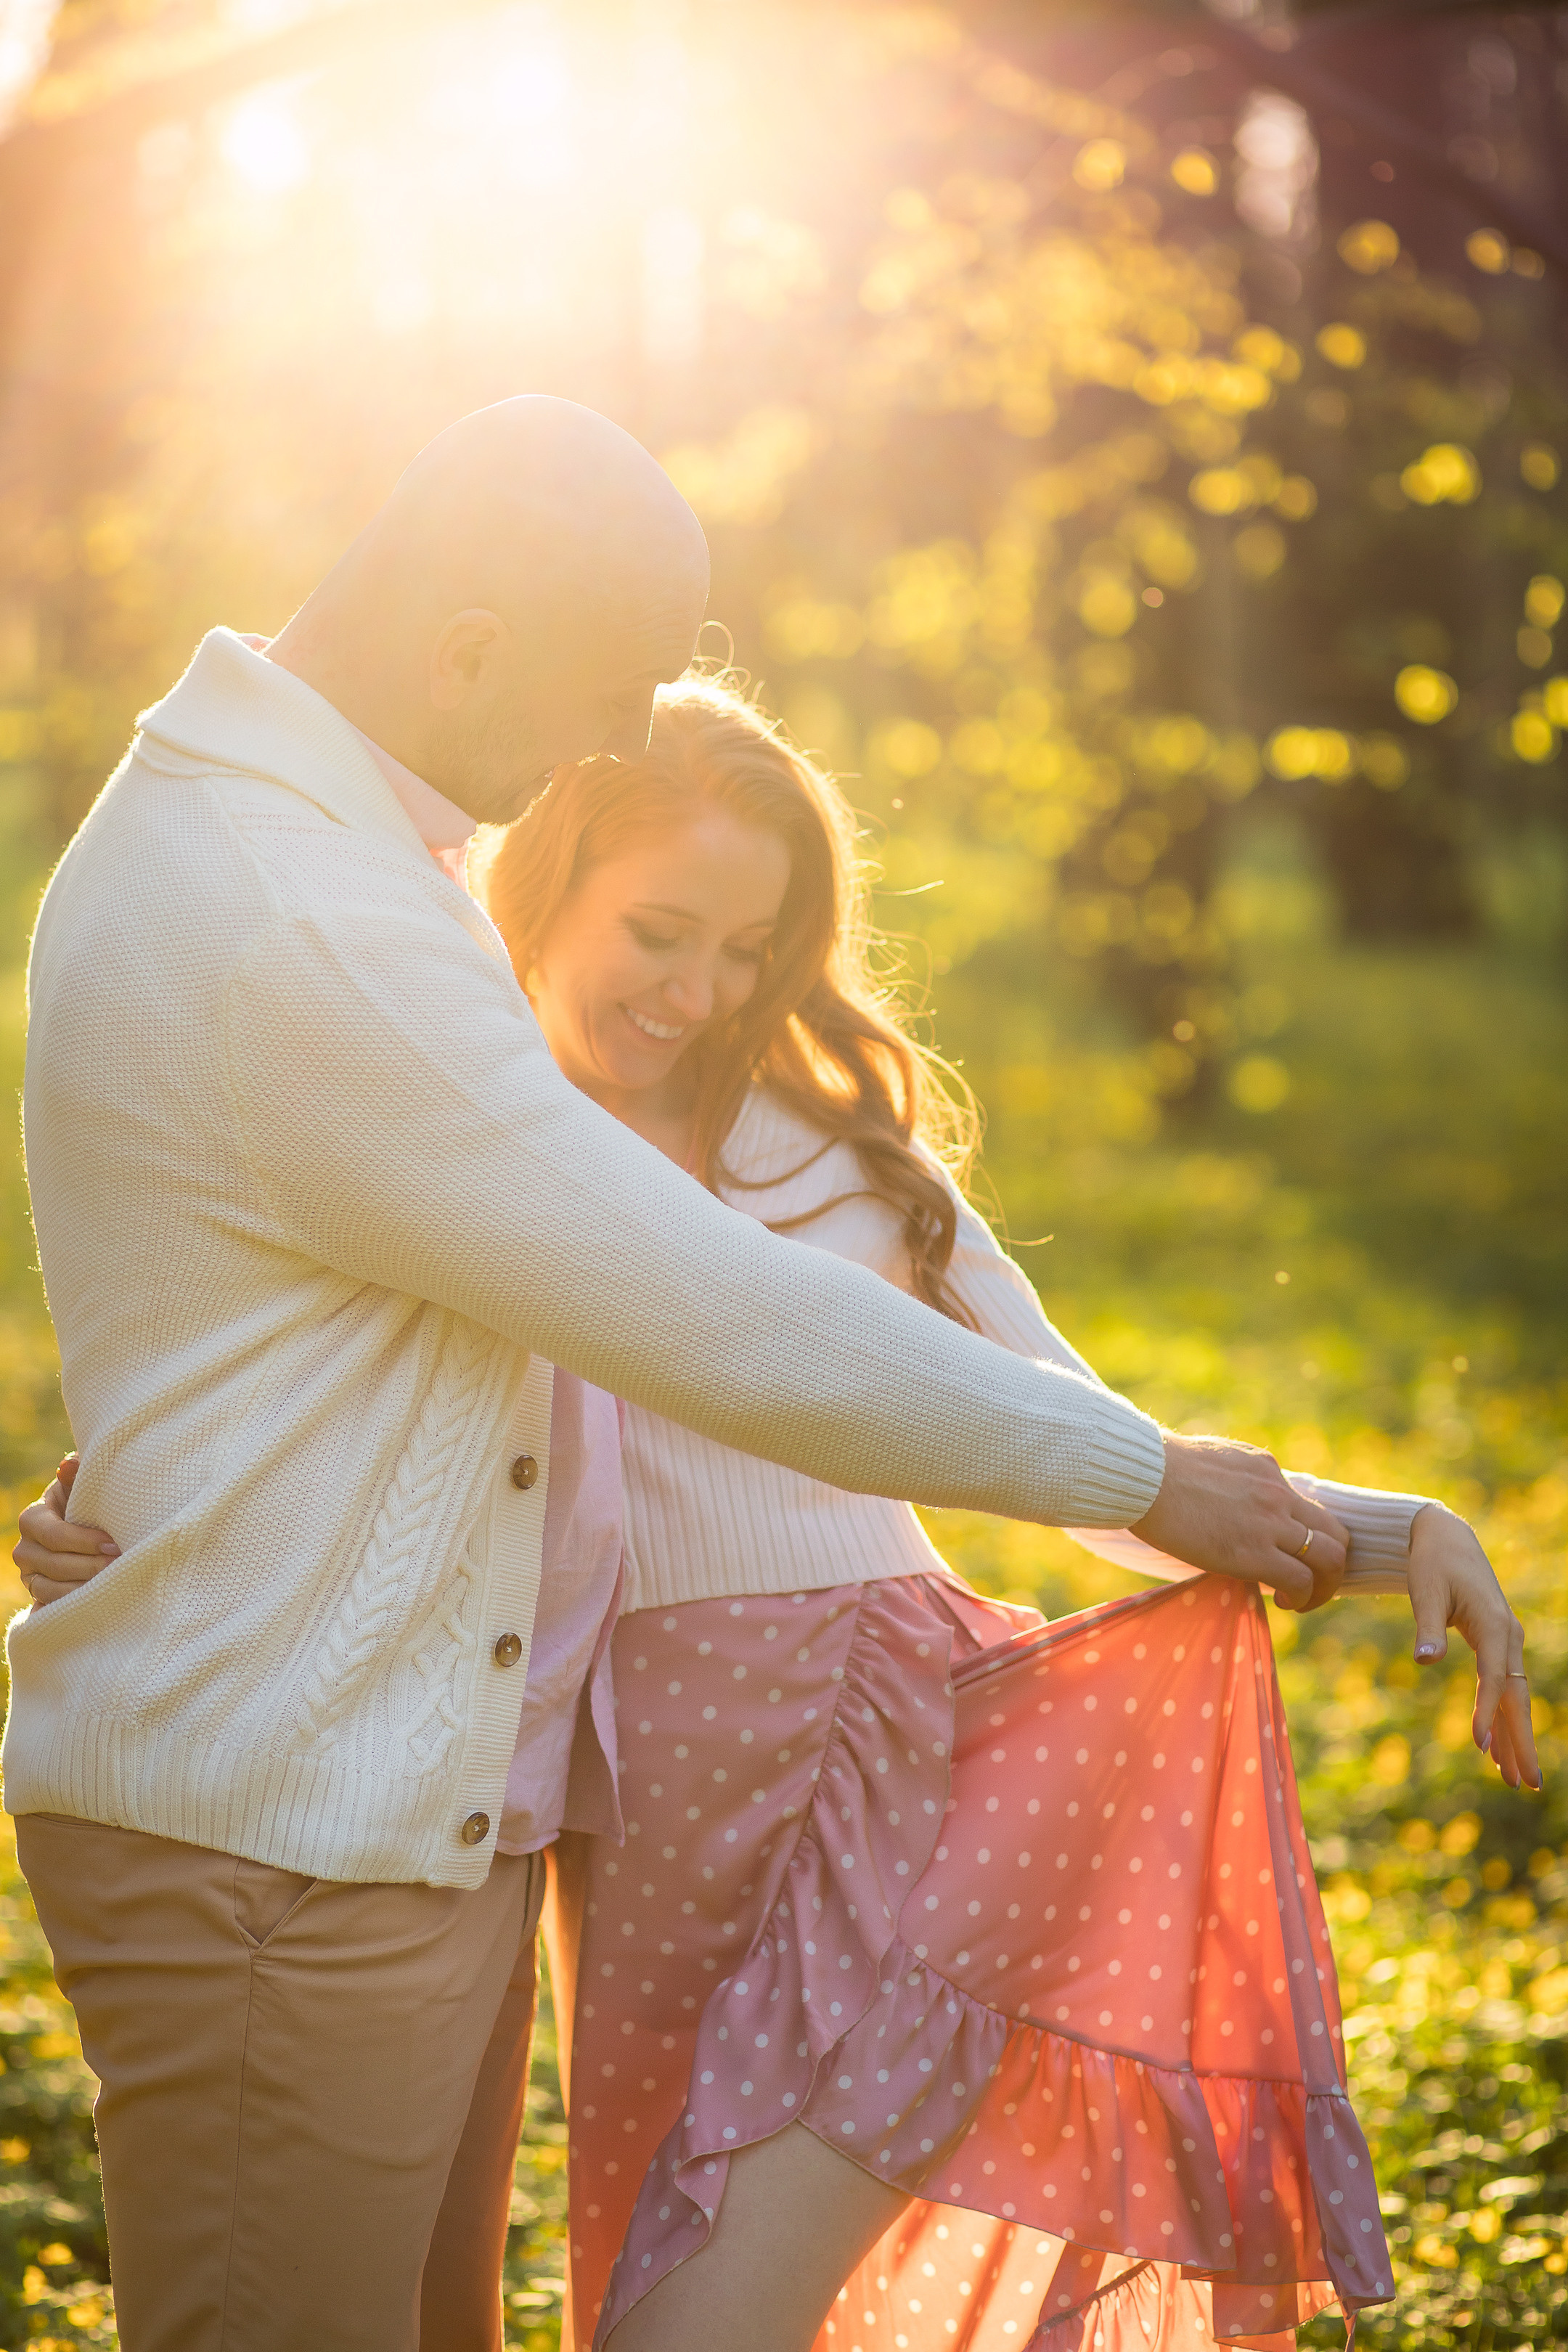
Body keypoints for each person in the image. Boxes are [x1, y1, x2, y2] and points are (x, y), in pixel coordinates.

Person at [6, 395, 1360, 2352]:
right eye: (599, 697)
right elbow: (687, 1300)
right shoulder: (309, 906)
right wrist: (1140, 1474)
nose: (608, 752)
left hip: (387, 1822)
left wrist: (159, 1473)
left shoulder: (327, 846)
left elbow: (308, 1285)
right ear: (468, 645)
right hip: (276, 1844)